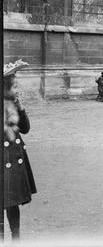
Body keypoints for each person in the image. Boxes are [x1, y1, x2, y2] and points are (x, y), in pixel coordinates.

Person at [3, 59, 37, 240]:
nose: (17, 89)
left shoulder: (14, 103)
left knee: (13, 201)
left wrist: (21, 108)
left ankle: (16, 238)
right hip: (3, 158)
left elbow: (25, 129)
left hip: (14, 157)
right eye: (14, 85)